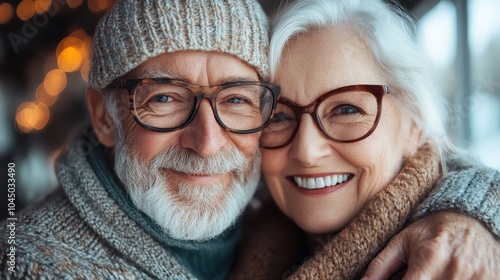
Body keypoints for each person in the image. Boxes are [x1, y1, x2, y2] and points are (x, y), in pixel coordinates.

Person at [0, 0, 498, 279]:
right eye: (166, 98)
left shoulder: (451, 261)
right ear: (104, 118)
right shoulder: (32, 263)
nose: (209, 141)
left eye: (237, 100)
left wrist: (476, 209)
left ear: (416, 126)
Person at [230, 0, 500, 279]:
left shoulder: (453, 264)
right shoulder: (247, 238)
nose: (306, 151)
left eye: (347, 110)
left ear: (414, 125)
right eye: (279, 117)